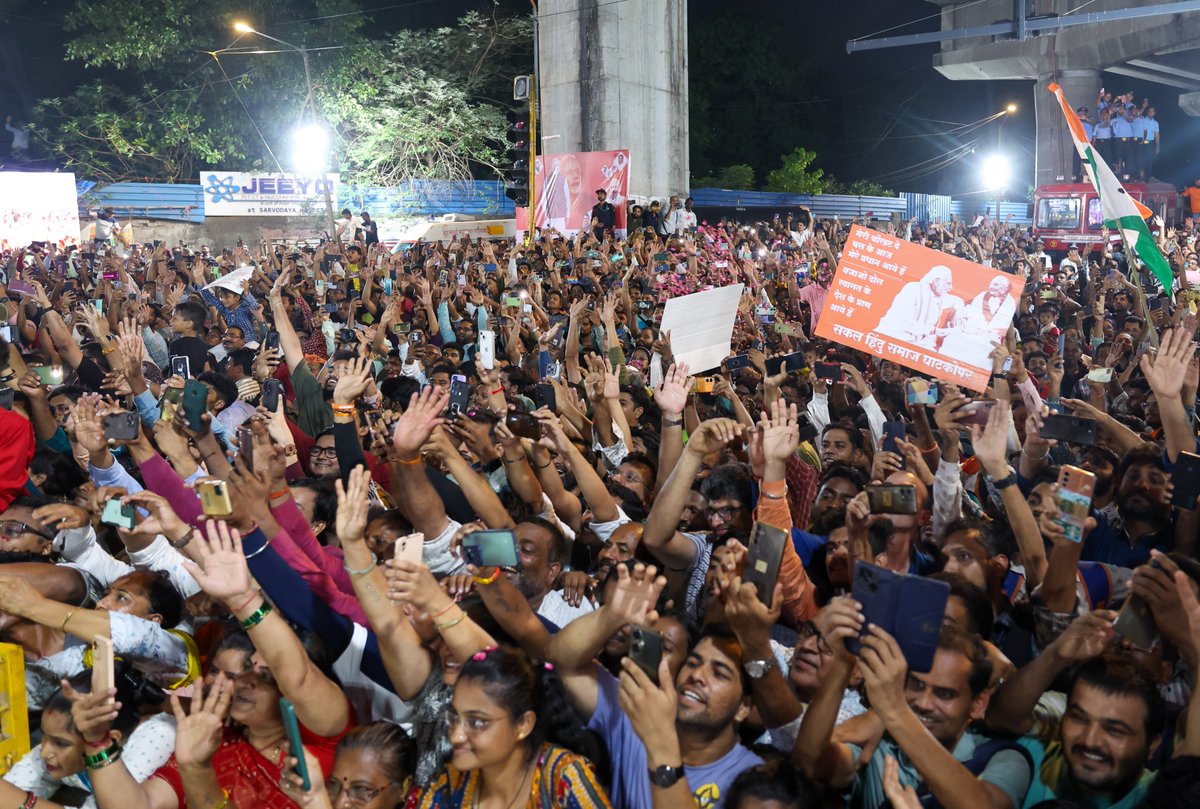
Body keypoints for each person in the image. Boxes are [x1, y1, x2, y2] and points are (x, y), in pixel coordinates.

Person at [797, 601, 1035, 809]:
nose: (924, 703)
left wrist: (896, 713)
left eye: (944, 694)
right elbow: (809, 763)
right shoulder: (883, 746)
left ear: (978, 703)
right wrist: (843, 661)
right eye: (917, 686)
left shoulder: (1002, 758)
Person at [413, 645, 610, 809]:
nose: (456, 736)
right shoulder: (450, 783)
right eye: (453, 717)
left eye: (476, 723)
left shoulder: (562, 779)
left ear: (524, 724)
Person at [874, 265, 962, 349]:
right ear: (935, 282)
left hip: (911, 346)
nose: (951, 287)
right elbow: (904, 322)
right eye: (948, 283)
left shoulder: (938, 298)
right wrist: (935, 331)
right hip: (888, 339)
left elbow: (956, 301)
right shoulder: (913, 289)